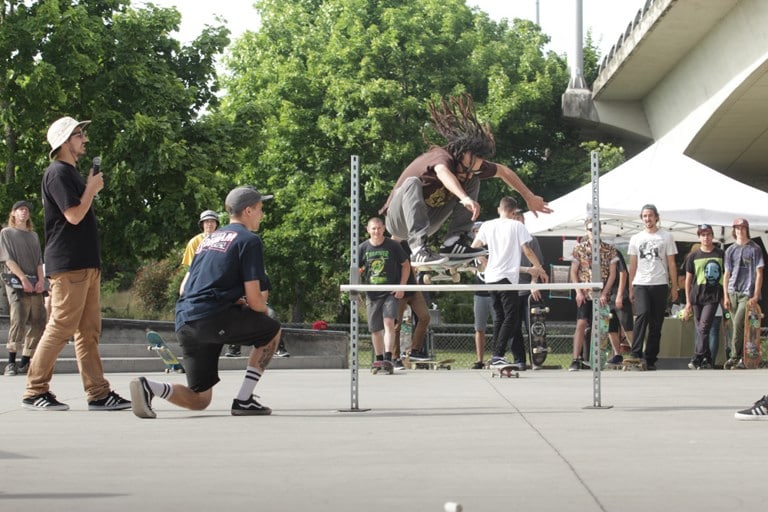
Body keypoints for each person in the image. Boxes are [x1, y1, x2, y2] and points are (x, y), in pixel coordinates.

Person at [130, 186, 282, 418]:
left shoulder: (208, 240)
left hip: (185, 320)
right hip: (211, 317)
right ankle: (244, 400)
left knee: (200, 399)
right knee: (272, 329)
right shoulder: (249, 241)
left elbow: (186, 286)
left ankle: (149, 387)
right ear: (248, 211)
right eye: (260, 209)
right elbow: (255, 300)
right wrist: (265, 310)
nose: (262, 214)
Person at [22, 116, 130, 410]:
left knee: (88, 332)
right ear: (65, 141)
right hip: (69, 264)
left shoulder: (70, 174)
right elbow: (73, 215)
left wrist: (89, 188)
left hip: (83, 263)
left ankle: (98, 392)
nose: (85, 139)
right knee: (60, 327)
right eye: (79, 134)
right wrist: (91, 189)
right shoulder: (57, 173)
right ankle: (34, 390)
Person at [379, 94, 551, 265]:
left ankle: (453, 242)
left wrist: (528, 196)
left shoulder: (472, 166)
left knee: (475, 180)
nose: (467, 174)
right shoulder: (440, 156)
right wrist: (465, 198)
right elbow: (442, 173)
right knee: (412, 182)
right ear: (459, 155)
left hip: (428, 222)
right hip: (397, 219)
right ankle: (418, 250)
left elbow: (504, 171)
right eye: (465, 170)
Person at [470, 197, 547, 370]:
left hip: (490, 279)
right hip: (506, 279)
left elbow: (473, 247)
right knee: (511, 318)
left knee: (500, 317)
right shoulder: (517, 225)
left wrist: (486, 263)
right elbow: (527, 250)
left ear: (499, 209)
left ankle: (497, 354)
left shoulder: (487, 225)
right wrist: (539, 268)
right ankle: (498, 355)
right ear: (514, 212)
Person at [628, 204, 679, 371]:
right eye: (644, 216)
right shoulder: (636, 238)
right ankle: (635, 353)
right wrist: (630, 287)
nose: (647, 219)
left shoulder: (666, 236)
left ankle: (650, 358)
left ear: (657, 217)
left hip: (660, 283)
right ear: (641, 218)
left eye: (650, 215)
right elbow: (633, 265)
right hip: (641, 282)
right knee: (642, 314)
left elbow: (671, 263)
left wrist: (674, 286)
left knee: (656, 323)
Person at [1, 201, 47, 376]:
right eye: (21, 209)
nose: (24, 212)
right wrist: (22, 278)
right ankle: (11, 362)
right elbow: (7, 259)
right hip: (15, 281)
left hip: (35, 282)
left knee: (39, 321)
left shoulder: (33, 236)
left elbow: (38, 260)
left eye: (27, 210)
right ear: (13, 213)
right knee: (18, 318)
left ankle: (25, 361)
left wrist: (41, 280)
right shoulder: (6, 233)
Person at [358, 217, 410, 369]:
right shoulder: (363, 248)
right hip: (372, 293)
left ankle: (388, 357)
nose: (376, 231)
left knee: (388, 322)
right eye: (373, 228)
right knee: (375, 328)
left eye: (379, 228)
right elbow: (354, 269)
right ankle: (379, 358)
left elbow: (406, 265)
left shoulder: (392, 246)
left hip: (390, 292)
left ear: (384, 229)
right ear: (368, 230)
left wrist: (401, 286)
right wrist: (357, 290)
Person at [569, 220, 618, 371]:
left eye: (596, 229)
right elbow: (573, 271)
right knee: (581, 323)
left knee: (601, 326)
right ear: (586, 231)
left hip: (601, 294)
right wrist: (578, 291)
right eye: (590, 229)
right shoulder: (579, 249)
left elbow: (612, 274)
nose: (593, 232)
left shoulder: (609, 250)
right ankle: (576, 358)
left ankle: (597, 357)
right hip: (585, 293)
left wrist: (604, 293)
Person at [723, 218, 764, 369]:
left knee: (740, 322)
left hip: (747, 291)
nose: (740, 230)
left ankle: (735, 356)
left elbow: (760, 273)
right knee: (735, 326)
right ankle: (741, 357)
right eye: (737, 228)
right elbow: (726, 274)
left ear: (747, 229)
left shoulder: (755, 248)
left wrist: (756, 294)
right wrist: (726, 295)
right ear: (734, 230)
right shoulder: (730, 250)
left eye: (743, 227)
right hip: (733, 290)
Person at [683, 225, 725, 369]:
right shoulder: (693, 256)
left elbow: (726, 276)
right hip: (696, 296)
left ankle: (696, 357)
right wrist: (688, 301)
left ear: (713, 236)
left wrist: (724, 297)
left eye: (708, 234)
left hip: (713, 296)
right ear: (699, 237)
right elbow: (688, 280)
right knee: (701, 329)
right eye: (703, 235)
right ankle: (706, 358)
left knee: (704, 327)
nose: (706, 237)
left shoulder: (720, 254)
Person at [511, 209, 545, 369]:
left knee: (533, 326)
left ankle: (536, 359)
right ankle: (519, 360)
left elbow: (537, 264)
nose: (518, 222)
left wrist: (534, 282)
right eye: (515, 219)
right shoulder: (507, 240)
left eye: (520, 219)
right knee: (513, 326)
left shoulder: (532, 240)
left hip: (528, 291)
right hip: (511, 289)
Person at [470, 222, 494, 369]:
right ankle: (480, 360)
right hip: (479, 293)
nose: (478, 235)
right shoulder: (471, 250)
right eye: (475, 232)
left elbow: (491, 267)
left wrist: (483, 260)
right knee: (479, 328)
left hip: (493, 293)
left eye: (480, 232)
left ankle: (497, 356)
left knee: (499, 325)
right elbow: (473, 268)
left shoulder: (492, 248)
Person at [609, 249, 634, 357]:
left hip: (619, 294)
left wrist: (619, 295)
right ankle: (617, 354)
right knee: (611, 327)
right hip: (606, 296)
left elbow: (623, 273)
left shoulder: (613, 252)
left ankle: (636, 353)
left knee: (627, 325)